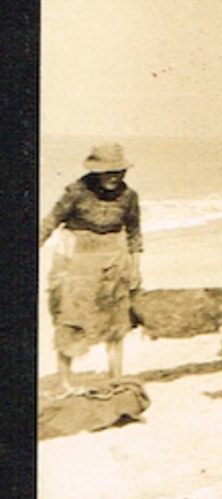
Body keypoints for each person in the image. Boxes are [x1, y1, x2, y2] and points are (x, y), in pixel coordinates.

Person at [39, 143, 143, 391]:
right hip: (76, 260)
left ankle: (115, 376)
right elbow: (51, 221)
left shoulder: (129, 197)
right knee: (70, 319)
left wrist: (135, 268)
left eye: (118, 171)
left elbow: (134, 234)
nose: (114, 176)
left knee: (116, 321)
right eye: (109, 171)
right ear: (96, 172)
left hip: (114, 260)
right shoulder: (76, 192)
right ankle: (65, 381)